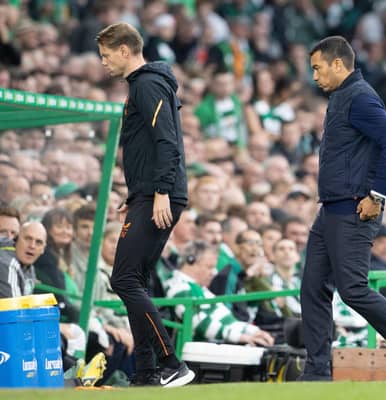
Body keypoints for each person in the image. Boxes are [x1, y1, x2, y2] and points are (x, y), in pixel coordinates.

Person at [300, 36, 386, 381]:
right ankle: (316, 371)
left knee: (353, 289)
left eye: (317, 68)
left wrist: (376, 196)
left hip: (353, 209)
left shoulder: (359, 97)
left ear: (337, 63)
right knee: (313, 287)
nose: (314, 76)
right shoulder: (342, 96)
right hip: (331, 208)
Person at [96, 22, 194, 387]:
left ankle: (171, 361)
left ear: (125, 50)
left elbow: (166, 141)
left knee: (122, 278)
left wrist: (159, 193)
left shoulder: (148, 83)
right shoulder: (146, 84)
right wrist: (136, 195)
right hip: (148, 193)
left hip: (159, 193)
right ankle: (147, 371)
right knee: (135, 280)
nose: (103, 63)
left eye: (106, 55)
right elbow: (146, 146)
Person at [164, 241, 274, 346]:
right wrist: (240, 337)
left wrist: (254, 332)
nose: (214, 272)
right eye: (209, 267)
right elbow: (199, 323)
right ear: (190, 262)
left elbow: (227, 319)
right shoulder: (177, 285)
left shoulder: (201, 290)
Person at [0, 221, 46, 298]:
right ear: (16, 240)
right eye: (28, 239)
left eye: (38, 242)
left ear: (43, 249)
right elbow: (15, 307)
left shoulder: (29, 267)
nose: (32, 246)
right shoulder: (7, 264)